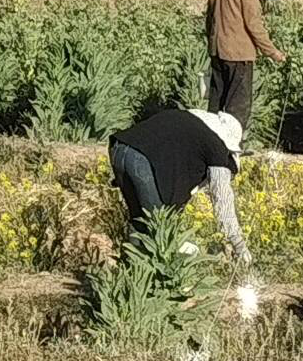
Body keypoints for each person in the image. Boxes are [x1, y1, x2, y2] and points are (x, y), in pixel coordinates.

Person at [108, 108, 253, 264]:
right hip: (141, 162)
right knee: (161, 228)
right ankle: (156, 274)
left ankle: (130, 270)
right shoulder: (217, 148)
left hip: (118, 148)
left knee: (139, 222)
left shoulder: (188, 124)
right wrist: (238, 243)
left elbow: (173, 171)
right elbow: (222, 198)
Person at [206, 0, 286, 131]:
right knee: (237, 110)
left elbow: (210, 13)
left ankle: (210, 144)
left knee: (215, 106)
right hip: (238, 52)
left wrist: (211, 40)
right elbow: (252, 21)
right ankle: (232, 148)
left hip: (217, 48)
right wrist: (272, 51)